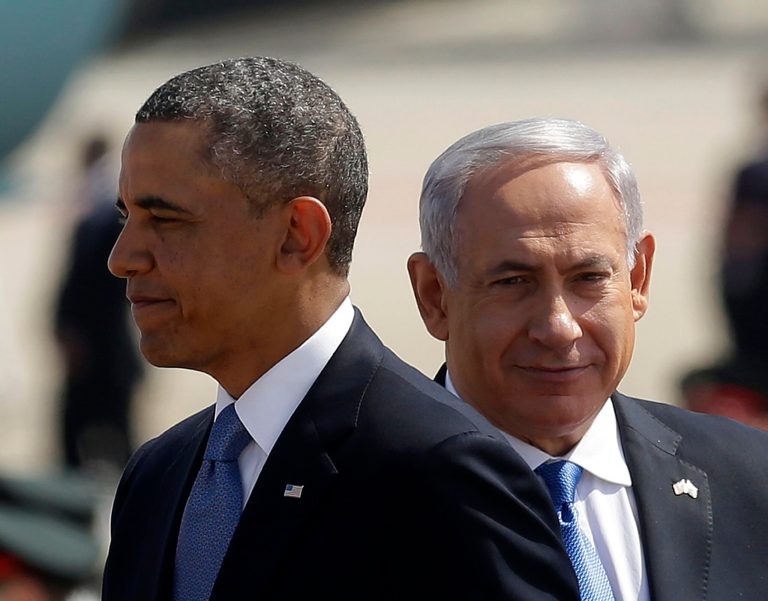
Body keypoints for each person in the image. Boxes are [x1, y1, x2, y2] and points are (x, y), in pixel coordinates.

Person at [101, 58, 579, 601]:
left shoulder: (438, 474)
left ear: (297, 235)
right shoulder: (159, 476)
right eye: (126, 218)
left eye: (165, 220)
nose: (124, 258)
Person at [408, 117, 768, 601]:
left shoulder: (749, 479)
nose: (559, 327)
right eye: (513, 283)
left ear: (638, 281)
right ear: (434, 296)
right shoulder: (349, 507)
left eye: (589, 278)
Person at [54, 135, 144, 473]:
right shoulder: (92, 206)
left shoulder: (106, 211)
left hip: (102, 351)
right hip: (91, 349)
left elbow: (99, 287)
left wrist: (74, 332)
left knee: (118, 444)